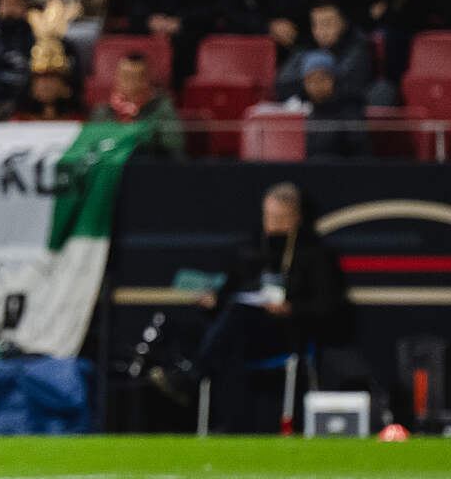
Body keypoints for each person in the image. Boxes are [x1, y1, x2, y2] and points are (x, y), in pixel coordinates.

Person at [150, 183, 351, 430]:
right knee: (214, 320)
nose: (274, 225)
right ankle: (206, 407)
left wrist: (291, 308)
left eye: (281, 218)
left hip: (286, 334)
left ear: (297, 217)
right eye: (270, 217)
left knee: (235, 318)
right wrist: (213, 302)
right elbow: (229, 294)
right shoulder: (251, 250)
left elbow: (328, 307)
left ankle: (191, 377)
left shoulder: (316, 255)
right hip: (242, 335)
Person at [275, 3, 374, 104]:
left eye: (328, 23)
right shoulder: (304, 50)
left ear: (343, 24)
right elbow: (282, 84)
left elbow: (344, 83)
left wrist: (311, 82)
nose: (322, 30)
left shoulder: (357, 48)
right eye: (316, 24)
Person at [90, 53, 183, 158]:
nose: (131, 83)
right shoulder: (102, 111)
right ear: (116, 78)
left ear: (147, 79)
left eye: (138, 77)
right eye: (125, 76)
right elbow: (90, 150)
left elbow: (176, 150)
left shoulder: (162, 108)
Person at [294, 51, 371, 159]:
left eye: (322, 78)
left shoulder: (351, 112)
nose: (316, 85)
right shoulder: (311, 114)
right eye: (310, 80)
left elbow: (360, 156)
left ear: (334, 79)